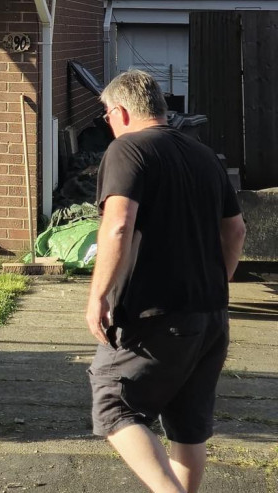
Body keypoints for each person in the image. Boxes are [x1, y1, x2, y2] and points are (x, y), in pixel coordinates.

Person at [86, 70, 246, 493]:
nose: (108, 123)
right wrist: (214, 283)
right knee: (187, 423)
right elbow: (236, 231)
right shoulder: (204, 156)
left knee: (113, 401)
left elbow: (118, 226)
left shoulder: (127, 151)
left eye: (106, 115)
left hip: (154, 313)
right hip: (210, 314)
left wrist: (98, 295)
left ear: (119, 111)